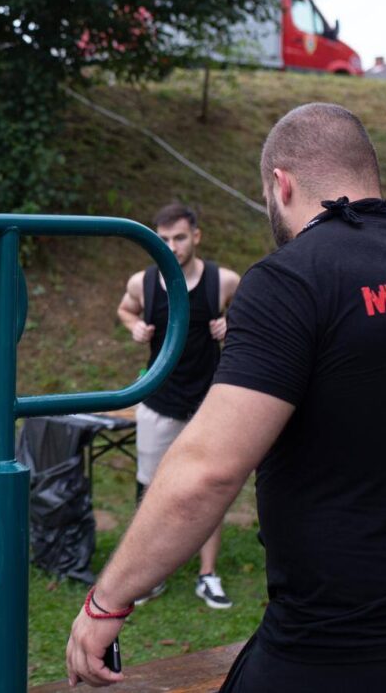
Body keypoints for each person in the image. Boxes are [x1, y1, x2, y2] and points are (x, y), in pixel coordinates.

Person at [65, 103, 386, 690]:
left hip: (344, 654)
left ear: (281, 184)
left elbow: (208, 470)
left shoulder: (291, 278)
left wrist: (107, 603)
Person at [115, 203, 239, 608]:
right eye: (164, 239)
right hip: (157, 398)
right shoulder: (144, 282)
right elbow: (125, 308)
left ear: (196, 236)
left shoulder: (223, 281)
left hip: (209, 402)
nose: (172, 246)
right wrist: (134, 325)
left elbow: (250, 315)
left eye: (180, 237)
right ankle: (147, 576)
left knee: (210, 488)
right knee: (150, 488)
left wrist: (231, 324)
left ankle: (208, 575)